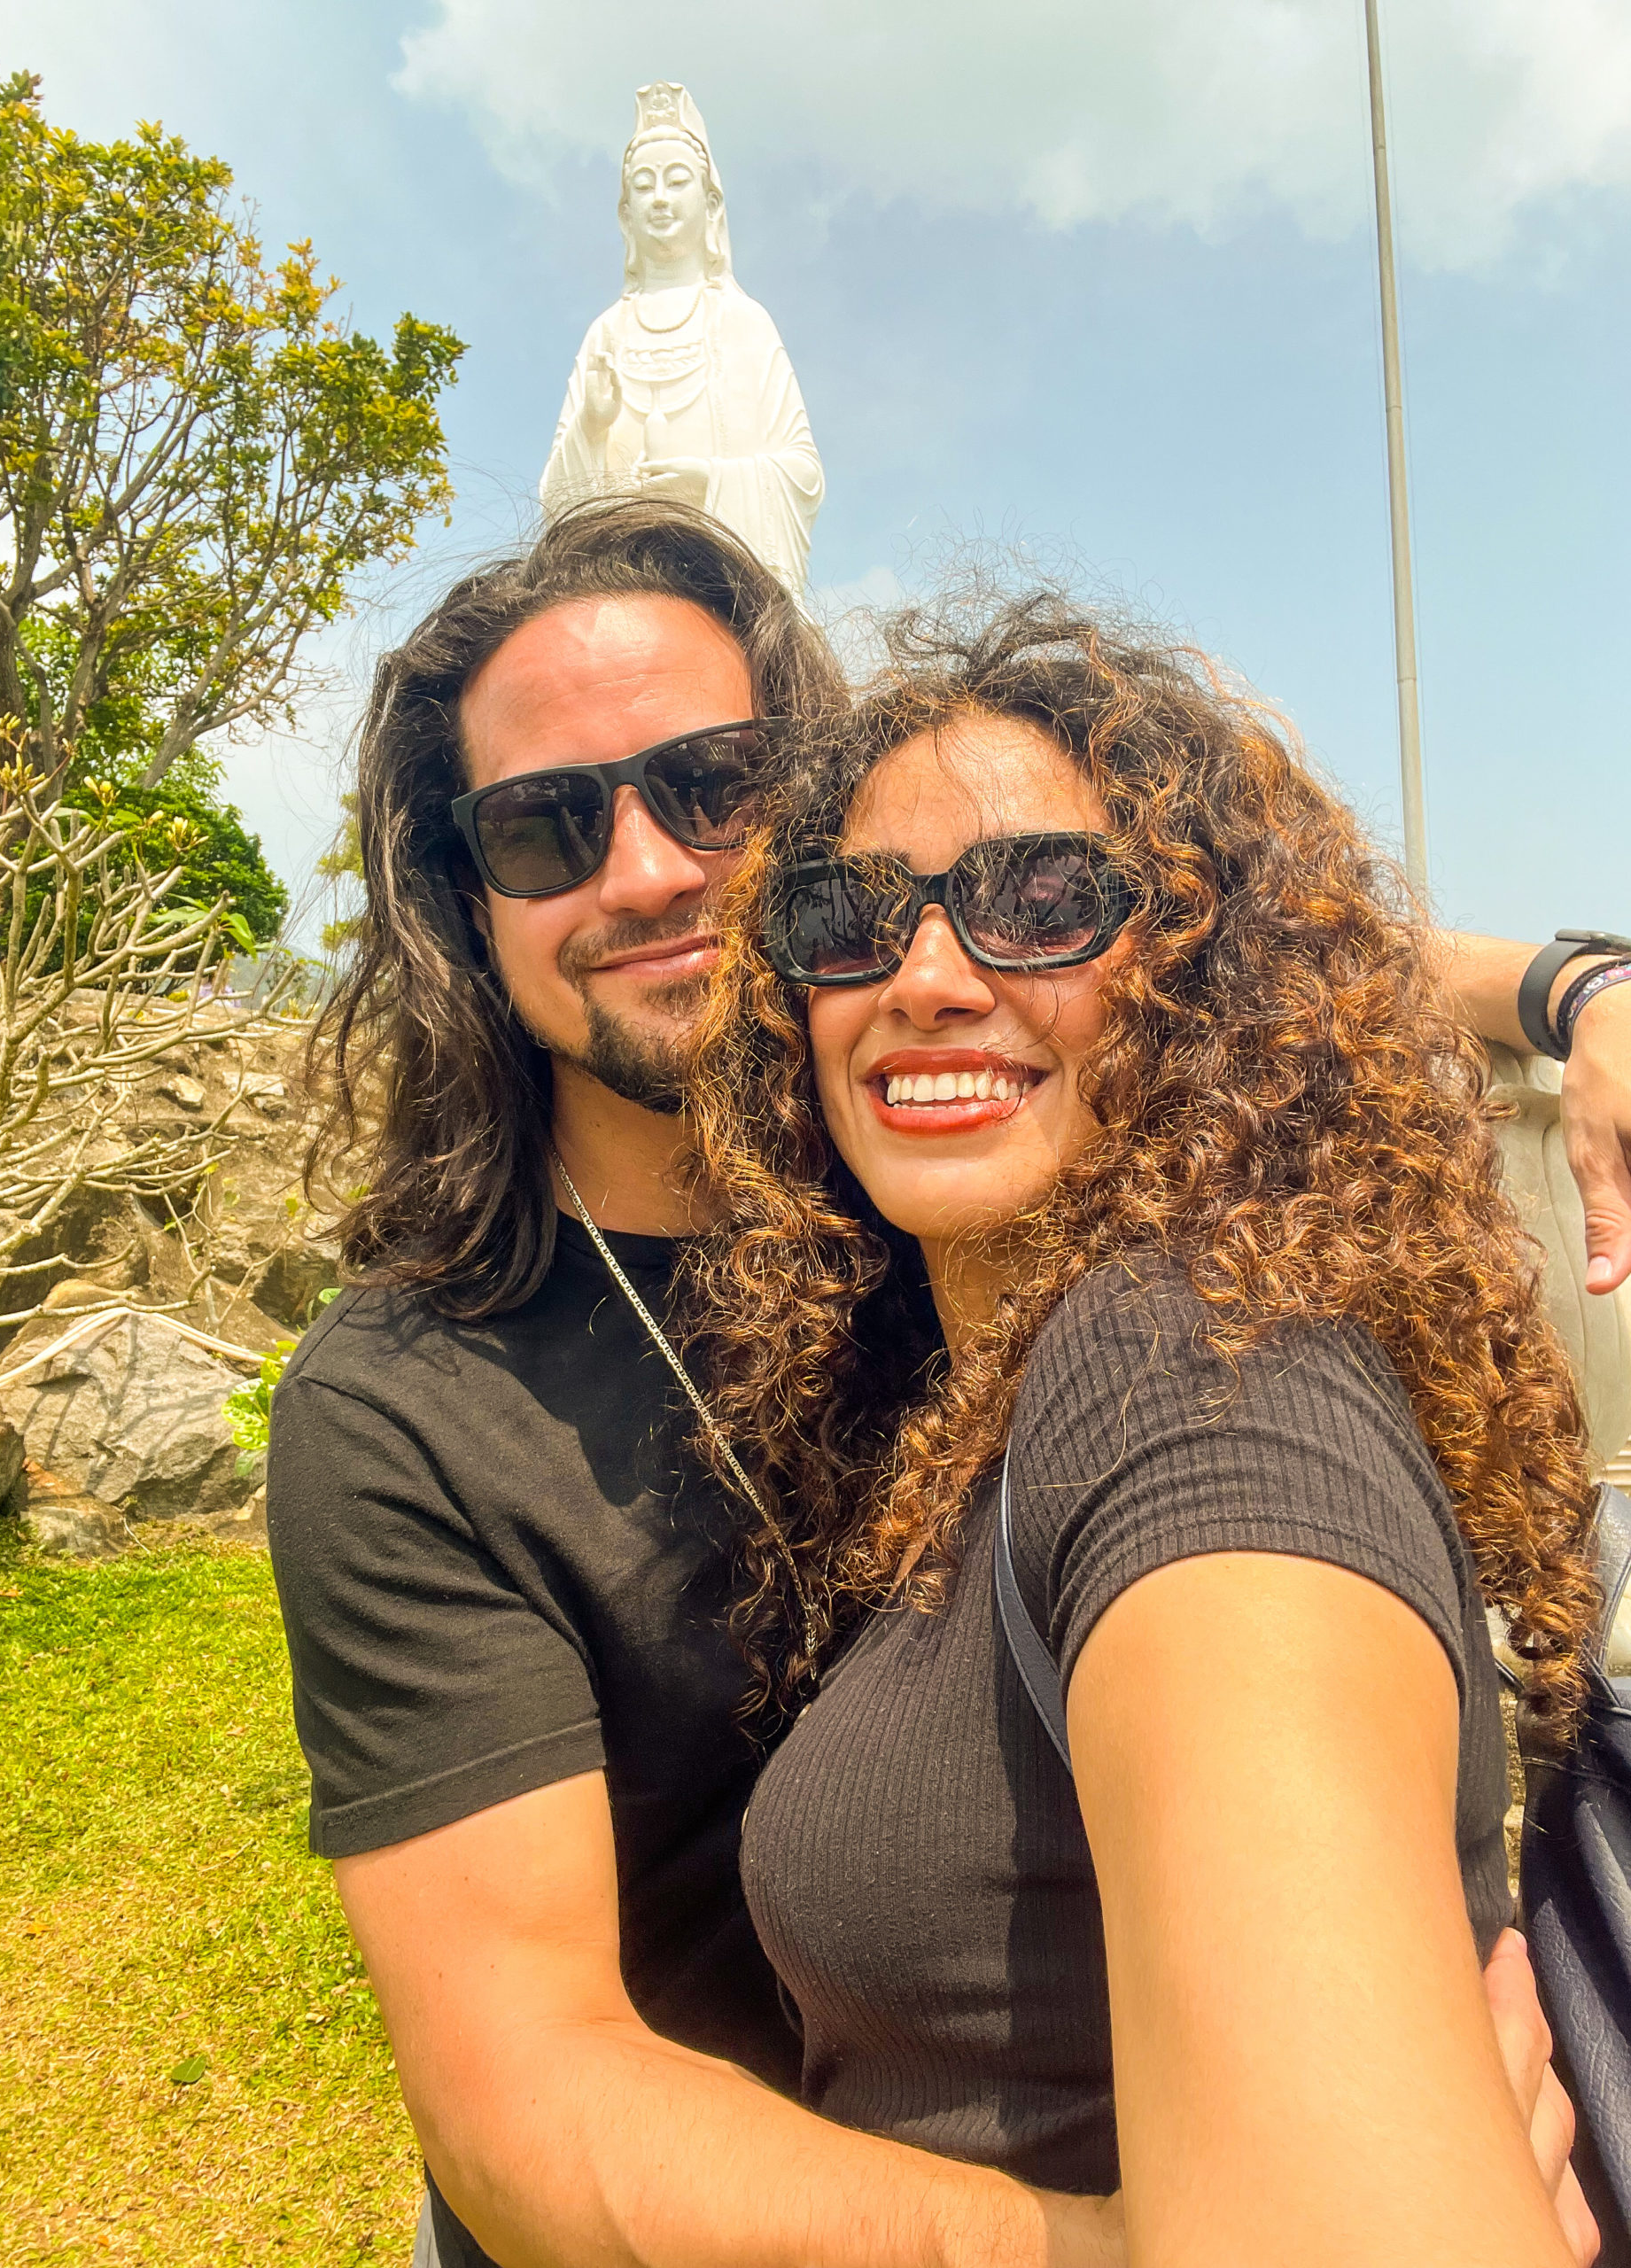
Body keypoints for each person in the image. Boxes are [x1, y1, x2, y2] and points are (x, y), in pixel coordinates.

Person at [266, 497, 1628, 2268]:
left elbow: (1236, 924)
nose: (650, 869)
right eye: (543, 825)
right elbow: (534, 2103)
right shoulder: (410, 1399)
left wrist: (1575, 984)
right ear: (465, 898)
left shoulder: (1026, 1230)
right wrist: (1111, 2241)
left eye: (712, 786)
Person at [683, 588, 1613, 2266]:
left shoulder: (1181, 1363)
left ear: (1205, 977)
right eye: (847, 916)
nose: (928, 976)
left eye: (1043, 899)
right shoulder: (960, 1412)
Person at [540, 82, 825, 594]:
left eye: (676, 181)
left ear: (711, 205)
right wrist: (591, 426)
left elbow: (803, 474)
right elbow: (555, 502)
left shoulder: (743, 321)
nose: (661, 200)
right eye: (644, 187)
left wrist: (710, 483)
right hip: (622, 595)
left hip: (725, 593)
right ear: (625, 215)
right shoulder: (607, 331)